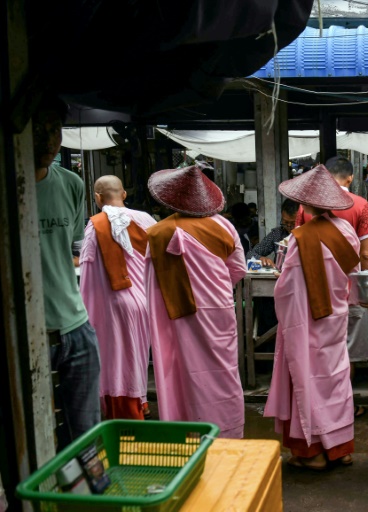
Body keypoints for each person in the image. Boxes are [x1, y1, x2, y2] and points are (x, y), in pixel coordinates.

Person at [264, 165, 360, 470]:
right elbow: (352, 275)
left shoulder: (300, 237)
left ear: (304, 205)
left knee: (308, 380)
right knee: (335, 380)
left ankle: (313, 453)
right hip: (335, 315)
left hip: (307, 322)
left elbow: (287, 287)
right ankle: (340, 449)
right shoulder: (347, 232)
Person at [145, 164, 247, 437]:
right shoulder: (224, 225)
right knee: (224, 371)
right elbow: (237, 269)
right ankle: (229, 434)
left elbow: (150, 283)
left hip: (178, 312)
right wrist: (214, 290)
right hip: (219, 309)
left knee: (183, 371)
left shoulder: (158, 232)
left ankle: (189, 431)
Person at [34, 94, 101, 449]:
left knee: (87, 432)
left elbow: (71, 250)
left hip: (76, 326)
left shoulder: (71, 184)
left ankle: (89, 498)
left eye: (54, 129)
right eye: (37, 128)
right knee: (33, 433)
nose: (47, 139)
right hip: (27, 335)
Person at [79, 176, 156, 420]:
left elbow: (88, 270)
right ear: (123, 194)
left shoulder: (96, 225)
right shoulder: (145, 219)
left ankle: (127, 416)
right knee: (137, 358)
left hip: (115, 305)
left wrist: (86, 311)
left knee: (117, 364)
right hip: (144, 303)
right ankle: (141, 403)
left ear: (98, 198)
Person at [295, 156, 368, 384]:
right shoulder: (360, 204)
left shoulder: (305, 207)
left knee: (316, 348)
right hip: (348, 289)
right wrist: (367, 293)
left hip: (314, 288)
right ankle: (345, 403)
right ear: (350, 178)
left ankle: (318, 404)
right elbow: (366, 254)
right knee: (346, 352)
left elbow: (297, 245)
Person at [246, 198, 298, 267]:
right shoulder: (277, 233)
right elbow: (250, 254)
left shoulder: (309, 235)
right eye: (285, 222)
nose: (288, 226)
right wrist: (260, 258)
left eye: (293, 223)